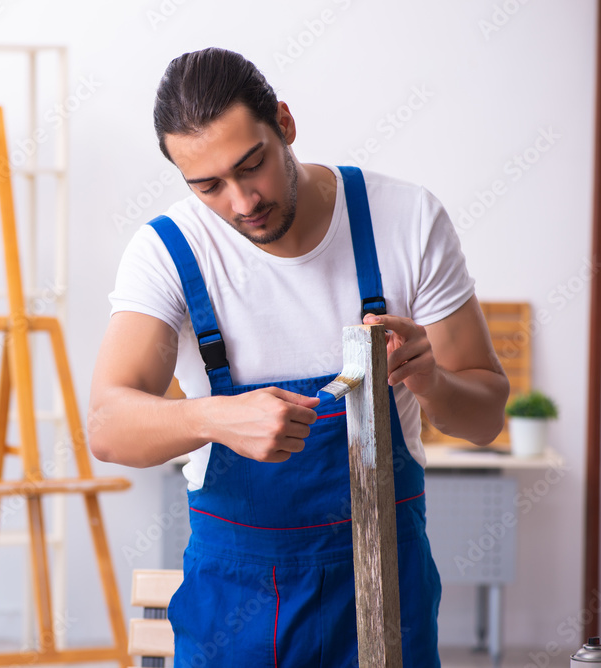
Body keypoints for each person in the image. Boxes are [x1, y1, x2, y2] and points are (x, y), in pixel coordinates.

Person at [88, 47, 510, 667]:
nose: (240, 201)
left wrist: (433, 381)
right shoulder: (168, 252)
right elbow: (106, 426)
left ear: (284, 124)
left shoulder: (405, 219)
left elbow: (484, 419)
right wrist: (215, 419)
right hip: (237, 603)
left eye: (250, 165)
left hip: (386, 589)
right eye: (208, 186)